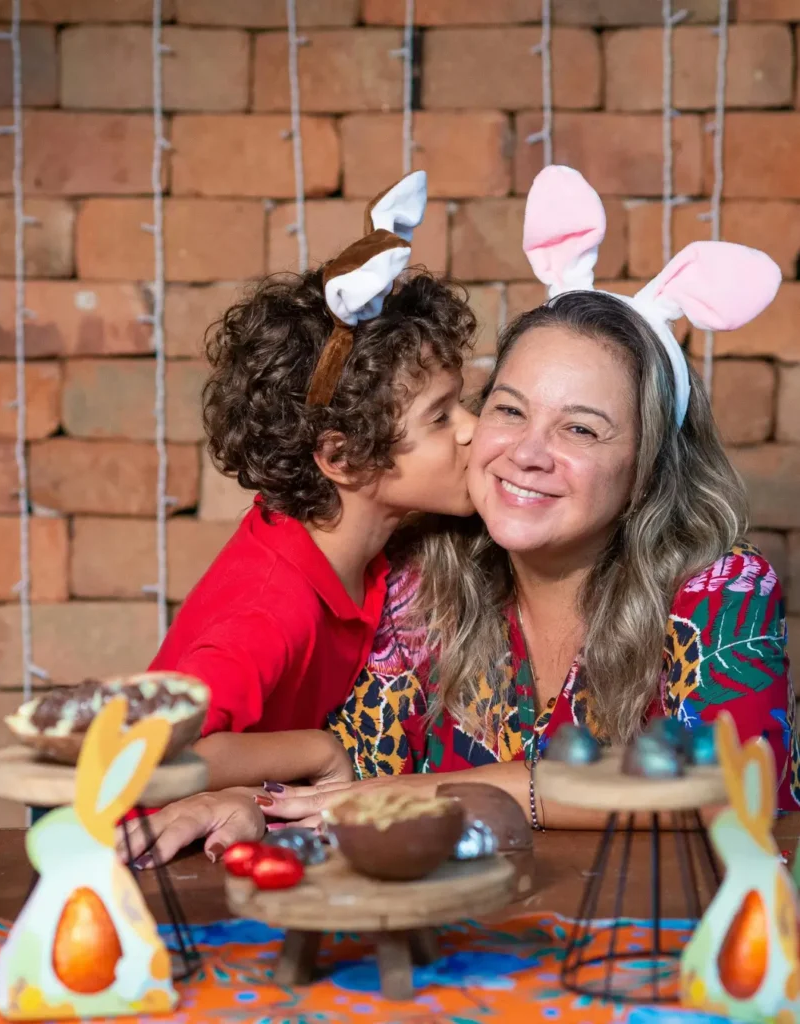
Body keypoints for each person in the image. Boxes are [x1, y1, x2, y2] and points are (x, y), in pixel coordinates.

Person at [131, 165, 794, 864]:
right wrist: (253, 805)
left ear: (648, 465)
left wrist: (450, 789)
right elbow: (348, 783)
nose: (521, 451)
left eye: (580, 429)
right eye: (508, 409)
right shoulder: (420, 586)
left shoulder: (722, 589)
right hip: (478, 957)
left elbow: (725, 788)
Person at [146, 170, 478, 793]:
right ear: (342, 457)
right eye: (441, 416)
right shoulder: (272, 609)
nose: (472, 430)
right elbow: (145, 762)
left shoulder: (363, 552)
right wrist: (318, 753)